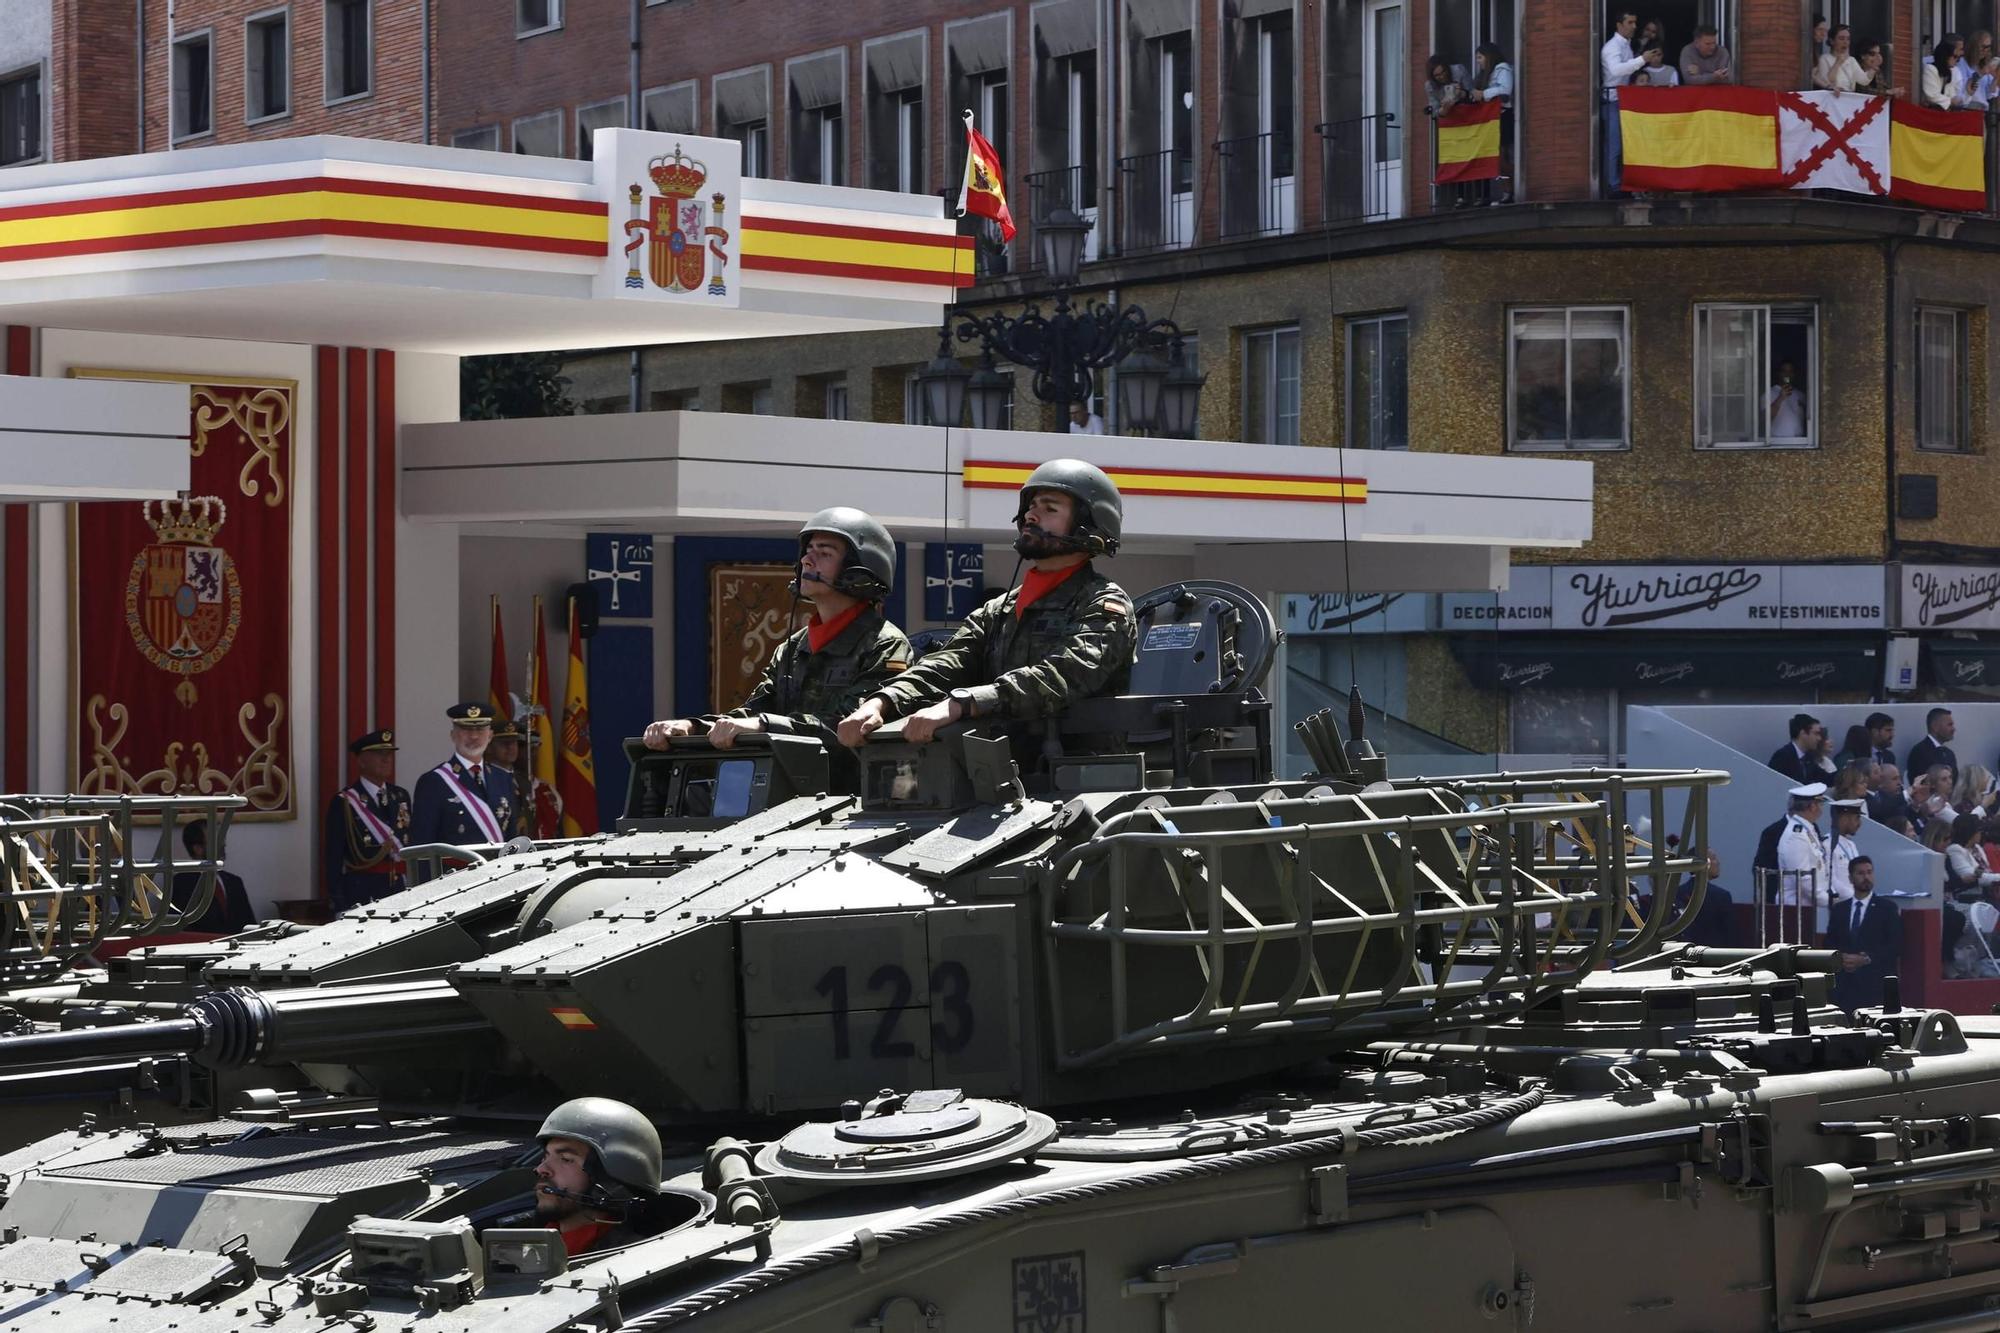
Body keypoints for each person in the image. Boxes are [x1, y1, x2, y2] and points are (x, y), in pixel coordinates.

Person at [839, 459, 1136, 751]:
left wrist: (965, 702)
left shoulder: (1103, 604)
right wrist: (883, 701)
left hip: (1081, 779)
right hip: (994, 773)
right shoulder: (998, 610)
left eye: (1049, 508)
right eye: (1030, 507)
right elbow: (949, 663)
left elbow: (1064, 675)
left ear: (1087, 525)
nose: (1031, 516)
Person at [645, 508, 910, 790]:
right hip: (787, 799)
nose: (807, 560)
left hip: (853, 802)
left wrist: (764, 724)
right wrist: (694, 727)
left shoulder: (885, 644)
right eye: (808, 550)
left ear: (858, 573)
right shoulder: (793, 648)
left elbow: (849, 727)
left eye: (825, 552)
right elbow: (755, 712)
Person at [532, 1097, 662, 1257]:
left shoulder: (632, 1260)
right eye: (545, 1157)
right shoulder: (535, 1247)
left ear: (608, 1179)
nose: (541, 1169)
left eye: (565, 1159)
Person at [323, 728, 413, 911]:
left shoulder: (400, 795)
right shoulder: (346, 801)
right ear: (362, 761)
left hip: (400, 888)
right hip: (362, 891)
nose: (386, 759)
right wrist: (339, 902)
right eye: (379, 754)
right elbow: (333, 857)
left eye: (389, 754)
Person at [409, 702, 517, 850]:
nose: (473, 736)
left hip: (498, 871)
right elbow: (422, 847)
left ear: (490, 735)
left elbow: (512, 839)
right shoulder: (434, 782)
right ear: (453, 735)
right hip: (456, 871)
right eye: (466, 729)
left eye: (480, 729)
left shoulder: (503, 779)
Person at [1824, 855, 1900, 1010]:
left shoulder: (1887, 908)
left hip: (1874, 985)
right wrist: (1841, 958)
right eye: (1860, 873)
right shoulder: (1839, 910)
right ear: (1851, 878)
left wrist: (1865, 958)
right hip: (1843, 986)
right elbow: (1829, 943)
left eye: (1869, 872)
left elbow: (1896, 945)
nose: (1866, 877)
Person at [168, 819, 255, 934]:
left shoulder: (234, 882)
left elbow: (250, 924)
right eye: (215, 840)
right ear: (198, 849)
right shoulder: (182, 883)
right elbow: (179, 928)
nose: (223, 844)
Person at [1601, 12, 1646, 198]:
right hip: (1612, 100)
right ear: (1619, 25)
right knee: (1614, 146)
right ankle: (1612, 186)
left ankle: (1620, 183)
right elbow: (1616, 69)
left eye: (1635, 22)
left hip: (1624, 100)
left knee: (1625, 145)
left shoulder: (1625, 45)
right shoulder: (1612, 47)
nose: (1634, 26)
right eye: (1630, 22)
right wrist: (1642, 59)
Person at [1468, 42, 1516, 203]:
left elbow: (1505, 90)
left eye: (1480, 57)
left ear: (1489, 56)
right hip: (1491, 120)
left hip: (1503, 117)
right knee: (1497, 158)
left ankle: (1513, 187)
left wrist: (1483, 93)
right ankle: (1506, 191)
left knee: (1502, 157)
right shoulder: (1484, 75)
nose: (1478, 61)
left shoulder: (1503, 68)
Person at [1776, 781, 1829, 907]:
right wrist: (1828, 901)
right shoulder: (1797, 836)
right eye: (1820, 803)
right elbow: (1803, 880)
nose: (1822, 808)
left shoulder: (1807, 829)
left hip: (1810, 906)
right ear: (1812, 806)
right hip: (1796, 909)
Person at [487, 719, 533, 838]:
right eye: (504, 743)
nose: (510, 748)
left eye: (514, 742)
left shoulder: (522, 780)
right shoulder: (486, 778)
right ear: (490, 747)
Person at [1769, 712, 1831, 783]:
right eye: (1816, 733)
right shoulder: (1783, 756)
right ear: (1803, 733)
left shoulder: (1808, 757)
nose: (1819, 738)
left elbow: (1825, 778)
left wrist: (1844, 772)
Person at [1907, 707, 1958, 783]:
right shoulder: (1920, 752)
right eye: (1949, 725)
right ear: (1935, 727)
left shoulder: (1949, 753)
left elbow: (1955, 781)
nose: (1954, 729)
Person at [1828, 796, 1864, 901]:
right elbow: (1830, 879)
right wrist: (1855, 897)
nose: (1860, 823)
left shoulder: (1851, 845)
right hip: (1841, 902)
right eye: (1857, 818)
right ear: (1843, 818)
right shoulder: (1828, 845)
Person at [1923, 36, 1970, 109]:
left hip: (1947, 114)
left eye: (1958, 57)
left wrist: (1968, 93)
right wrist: (1950, 101)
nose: (1957, 60)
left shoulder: (1953, 71)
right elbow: (1931, 95)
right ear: (1945, 55)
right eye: (1955, 57)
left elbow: (1956, 97)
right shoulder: (1930, 69)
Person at [1766, 361, 1808, 440]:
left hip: (1800, 441)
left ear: (1794, 374)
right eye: (1784, 371)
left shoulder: (1800, 394)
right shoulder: (1769, 393)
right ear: (1778, 373)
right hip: (1778, 441)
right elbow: (1764, 419)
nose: (1787, 374)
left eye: (1790, 371)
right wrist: (1780, 398)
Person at [1867, 761, 1911, 827]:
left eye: (1899, 778)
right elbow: (1881, 809)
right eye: (1894, 779)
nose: (1900, 783)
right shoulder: (1864, 798)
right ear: (1881, 782)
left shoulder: (1888, 797)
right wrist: (1908, 793)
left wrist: (1915, 805)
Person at [1814, 24, 1855, 89]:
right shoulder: (1824, 58)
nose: (1845, 42)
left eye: (1848, 39)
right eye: (1841, 38)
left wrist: (1873, 68)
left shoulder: (1851, 60)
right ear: (1832, 41)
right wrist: (1838, 62)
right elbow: (1826, 81)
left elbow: (1864, 80)